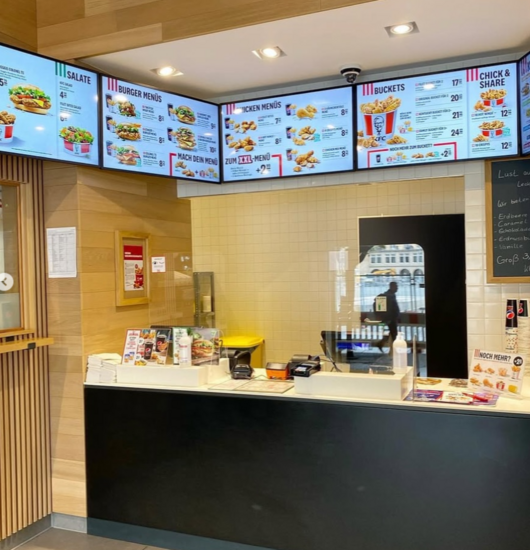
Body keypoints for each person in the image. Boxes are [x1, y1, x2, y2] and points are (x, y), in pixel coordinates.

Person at [375, 281, 400, 351]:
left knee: (392, 333)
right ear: (391, 287)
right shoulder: (389, 296)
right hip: (390, 318)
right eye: (396, 287)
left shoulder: (390, 295)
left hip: (390, 318)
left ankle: (381, 343)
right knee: (394, 333)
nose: (397, 288)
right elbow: (392, 308)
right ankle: (392, 348)